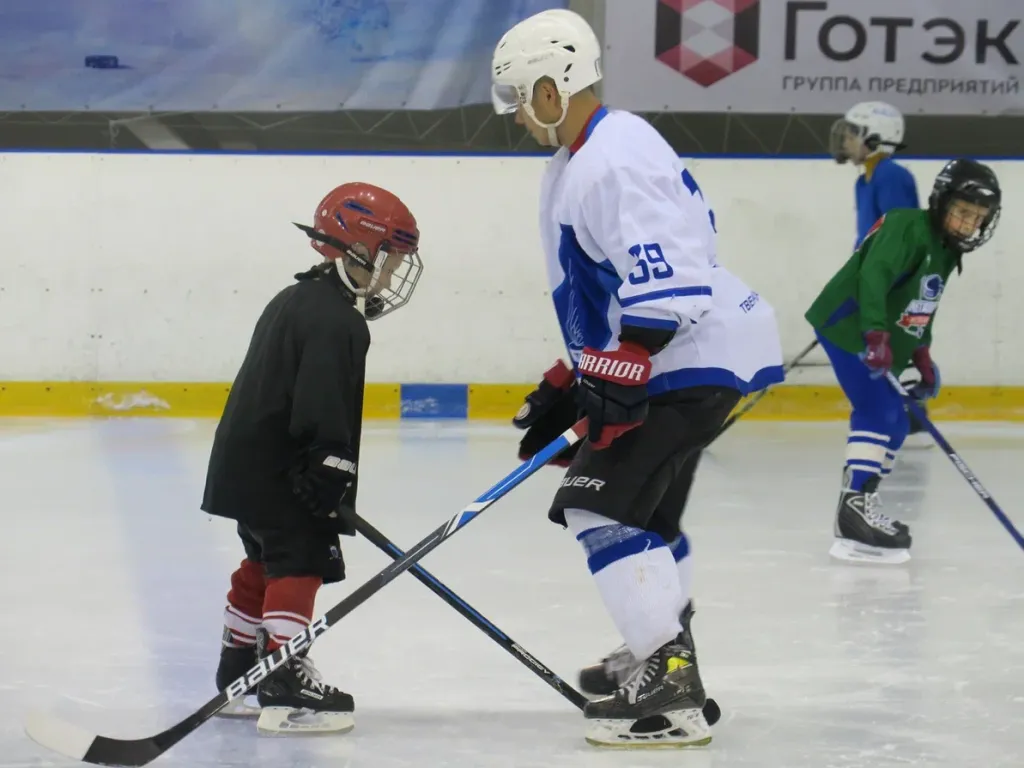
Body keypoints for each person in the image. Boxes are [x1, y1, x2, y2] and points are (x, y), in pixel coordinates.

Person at [492, 8, 784, 748]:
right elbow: (612, 284)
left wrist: (623, 369)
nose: (518, 116)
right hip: (686, 354)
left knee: (600, 509)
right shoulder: (586, 154)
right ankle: (658, 649)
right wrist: (575, 373)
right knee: (646, 517)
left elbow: (669, 276)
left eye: (522, 97)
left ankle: (669, 683)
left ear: (554, 88)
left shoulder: (610, 158)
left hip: (688, 356)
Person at [201, 182, 423, 734]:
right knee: (299, 562)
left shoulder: (296, 297)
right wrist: (331, 462)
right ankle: (284, 682)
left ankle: (240, 668)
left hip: (249, 468)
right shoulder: (338, 320)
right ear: (359, 248)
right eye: (390, 259)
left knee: (264, 562)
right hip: (287, 469)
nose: (392, 274)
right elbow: (323, 398)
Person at [805, 159, 1001, 565]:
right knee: (878, 412)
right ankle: (853, 515)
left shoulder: (946, 250)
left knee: (896, 418)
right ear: (942, 202)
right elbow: (874, 275)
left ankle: (860, 503)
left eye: (977, 218)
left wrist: (922, 352)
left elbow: (921, 306)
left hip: (882, 335)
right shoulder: (906, 225)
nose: (968, 224)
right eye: (963, 212)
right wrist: (874, 333)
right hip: (850, 325)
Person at [829, 101, 932, 440]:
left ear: (874, 138)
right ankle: (896, 408)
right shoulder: (864, 182)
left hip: (890, 284)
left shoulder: (893, 176)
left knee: (887, 344)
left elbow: (901, 241)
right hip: (869, 281)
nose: (845, 142)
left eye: (852, 134)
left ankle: (908, 409)